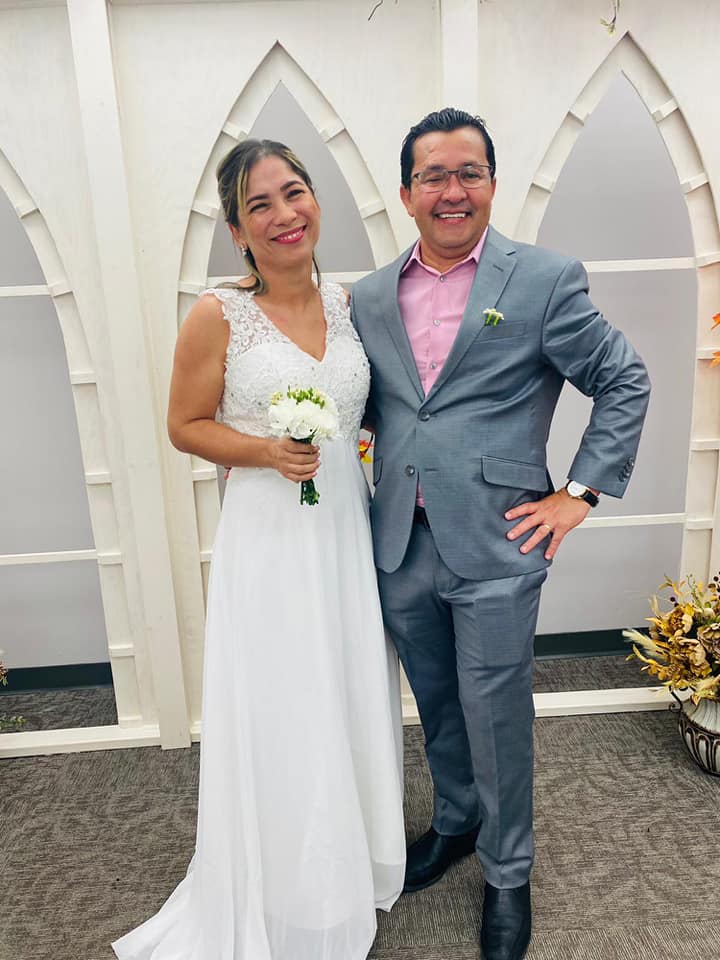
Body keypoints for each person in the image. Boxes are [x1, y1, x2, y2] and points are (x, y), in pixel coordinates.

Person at [351, 108, 650, 960]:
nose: (453, 191)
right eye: (434, 176)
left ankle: (508, 874)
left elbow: (623, 379)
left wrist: (579, 494)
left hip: (498, 543)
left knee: (496, 712)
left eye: (469, 173)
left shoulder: (544, 279)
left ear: (491, 182)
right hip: (398, 540)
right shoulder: (369, 297)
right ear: (406, 192)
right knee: (437, 704)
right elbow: (373, 407)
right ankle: (455, 821)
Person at [112, 139, 405, 960]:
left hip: (343, 525)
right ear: (238, 231)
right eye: (260, 206)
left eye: (295, 192)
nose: (284, 215)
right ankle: (285, 881)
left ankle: (350, 863)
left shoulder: (353, 306)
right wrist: (266, 452)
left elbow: (373, 410)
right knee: (285, 694)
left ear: (317, 202)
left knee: (343, 681)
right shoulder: (217, 314)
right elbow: (183, 426)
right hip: (270, 536)